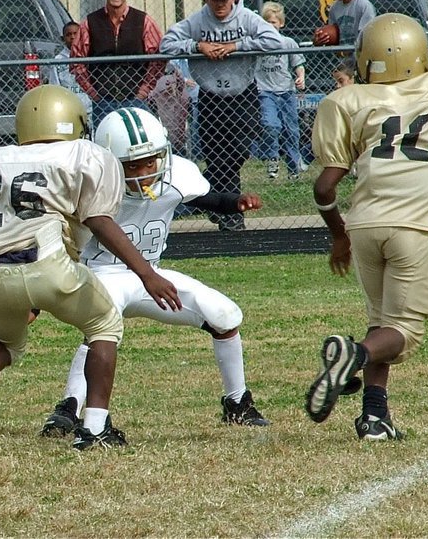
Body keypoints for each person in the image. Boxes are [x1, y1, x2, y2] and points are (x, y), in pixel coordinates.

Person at [0, 86, 181, 452]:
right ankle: (95, 427)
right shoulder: (83, 153)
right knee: (105, 324)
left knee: (6, 341)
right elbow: (99, 221)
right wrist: (147, 274)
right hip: (49, 264)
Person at [304, 13, 428, 440]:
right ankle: (353, 356)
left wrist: (338, 232)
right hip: (416, 225)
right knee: (403, 332)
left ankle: (375, 417)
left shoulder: (352, 101)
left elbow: (324, 187)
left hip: (364, 224)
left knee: (382, 321)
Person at [40, 106, 269, 437]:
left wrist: (235, 202)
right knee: (102, 328)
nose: (145, 172)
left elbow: (206, 198)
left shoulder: (175, 176)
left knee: (225, 315)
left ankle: (238, 403)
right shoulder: (88, 184)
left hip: (151, 275)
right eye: (132, 165)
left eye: (151, 161)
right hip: (101, 274)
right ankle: (70, 407)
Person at [159, 0, 282, 231]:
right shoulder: (197, 20)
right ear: (207, 0)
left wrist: (235, 46)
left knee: (238, 151)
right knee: (217, 157)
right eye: (215, 0)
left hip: (243, 94)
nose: (220, 5)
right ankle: (231, 214)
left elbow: (274, 41)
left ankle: (211, 199)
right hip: (211, 96)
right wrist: (197, 46)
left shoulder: (246, 17)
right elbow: (166, 44)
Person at [71, 0, 164, 128]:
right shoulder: (90, 23)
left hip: (135, 99)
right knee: (106, 147)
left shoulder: (143, 21)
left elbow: (159, 58)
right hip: (103, 101)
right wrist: (93, 93)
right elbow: (76, 61)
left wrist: (144, 90)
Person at [255, 2, 306, 180]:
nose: (271, 26)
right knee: (270, 125)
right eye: (267, 22)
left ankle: (293, 169)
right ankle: (272, 158)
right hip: (265, 91)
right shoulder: (258, 44)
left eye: (274, 23)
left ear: (281, 24)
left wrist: (301, 76)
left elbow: (298, 64)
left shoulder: (288, 43)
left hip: (286, 91)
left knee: (291, 130)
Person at [48, 20, 92, 112]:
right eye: (68, 35)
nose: (72, 37)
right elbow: (55, 85)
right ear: (63, 38)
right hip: (68, 108)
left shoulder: (90, 56)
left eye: (76, 34)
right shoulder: (58, 61)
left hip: (89, 107)